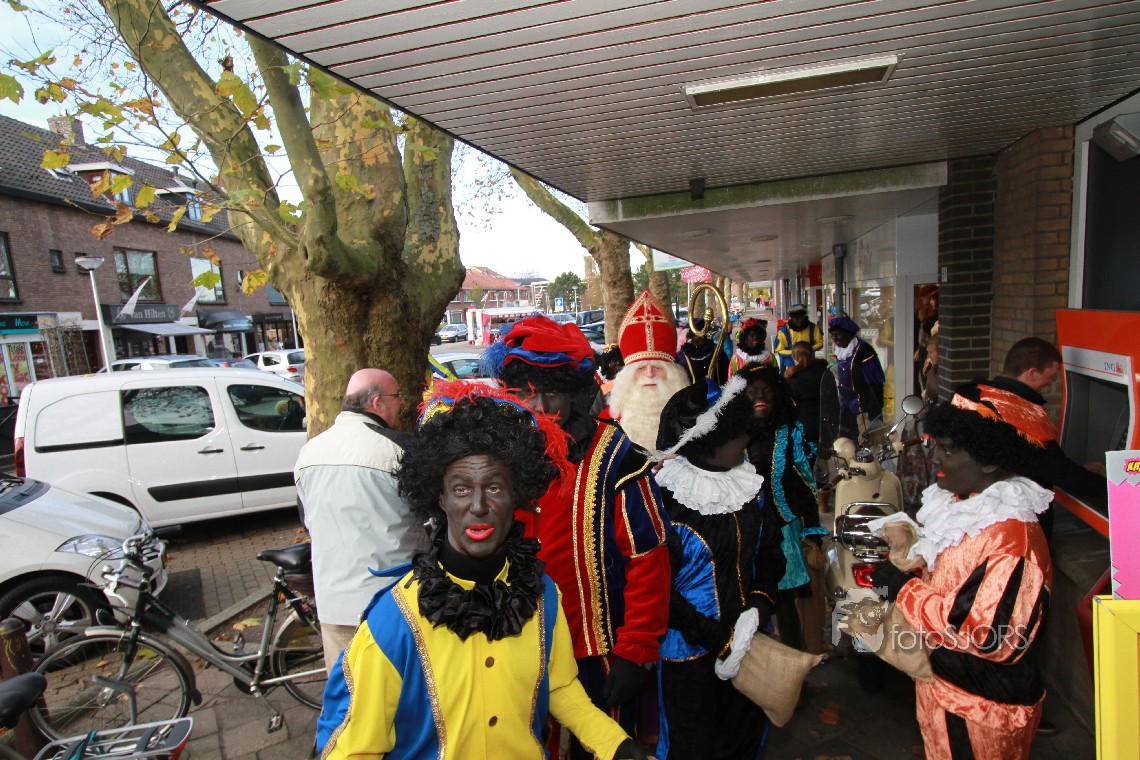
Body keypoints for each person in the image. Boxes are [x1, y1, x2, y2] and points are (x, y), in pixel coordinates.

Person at [316, 382, 650, 760]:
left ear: (516, 497)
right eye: (461, 489)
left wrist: (615, 744)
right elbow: (355, 750)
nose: (478, 506)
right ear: (440, 498)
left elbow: (558, 688)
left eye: (494, 488)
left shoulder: (543, 596)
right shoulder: (393, 621)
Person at [870, 385, 1055, 760]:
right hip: (946, 693)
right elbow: (954, 579)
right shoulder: (968, 506)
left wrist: (904, 589)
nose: (935, 456)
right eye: (936, 444)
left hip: (978, 711)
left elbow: (989, 637)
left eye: (949, 448)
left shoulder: (1012, 540)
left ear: (988, 460)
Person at [556, 289, 684, 752]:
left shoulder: (697, 423)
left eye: (659, 368)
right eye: (642, 367)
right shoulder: (605, 431)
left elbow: (650, 556)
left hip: (673, 602)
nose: (650, 375)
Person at [653, 376, 785, 759]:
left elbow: (770, 553)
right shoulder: (667, 501)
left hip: (752, 648)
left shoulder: (751, 487)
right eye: (739, 430)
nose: (747, 438)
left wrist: (758, 607)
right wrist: (719, 638)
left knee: (744, 742)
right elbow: (657, 589)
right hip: (689, 659)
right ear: (713, 438)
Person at [294, 368, 427, 670]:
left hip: (332, 603)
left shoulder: (309, 452)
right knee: (398, 689)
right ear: (377, 402)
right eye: (397, 396)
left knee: (345, 689)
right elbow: (432, 515)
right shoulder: (399, 450)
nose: (402, 403)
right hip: (392, 601)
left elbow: (307, 519)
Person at [979, 337, 1107, 540]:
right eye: (1050, 377)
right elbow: (1056, 469)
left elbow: (1041, 461)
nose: (1049, 384)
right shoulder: (1022, 413)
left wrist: (1079, 471)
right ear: (1032, 373)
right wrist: (1113, 486)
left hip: (986, 516)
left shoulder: (985, 396)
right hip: (1016, 526)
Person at [740, 363, 828, 653]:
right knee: (748, 602)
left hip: (783, 530)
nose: (760, 396)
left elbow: (805, 483)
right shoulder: (733, 435)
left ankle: (794, 661)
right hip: (745, 532)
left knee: (787, 600)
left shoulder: (790, 433)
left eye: (766, 390)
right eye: (752, 391)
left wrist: (812, 529)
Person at [828, 314, 886, 438]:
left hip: (864, 408)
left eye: (838, 334)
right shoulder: (842, 350)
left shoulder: (863, 350)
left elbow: (875, 382)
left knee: (867, 440)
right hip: (846, 406)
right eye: (833, 335)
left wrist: (874, 410)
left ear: (848, 333)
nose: (835, 338)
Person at [783, 340, 829, 453]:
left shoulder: (793, 378)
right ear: (812, 354)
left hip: (804, 429)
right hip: (827, 425)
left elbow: (789, 407)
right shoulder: (825, 372)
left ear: (793, 357)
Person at [677, 317, 729, 385]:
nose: (701, 337)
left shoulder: (717, 351)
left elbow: (726, 374)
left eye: (704, 334)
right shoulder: (682, 357)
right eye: (698, 335)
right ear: (692, 335)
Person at [774, 303, 823, 371]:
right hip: (791, 367)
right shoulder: (784, 331)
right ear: (792, 318)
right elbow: (779, 350)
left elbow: (820, 343)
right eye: (797, 318)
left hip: (809, 365)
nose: (800, 320)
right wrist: (795, 352)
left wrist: (809, 349)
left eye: (802, 317)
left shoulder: (813, 328)